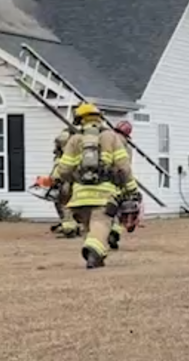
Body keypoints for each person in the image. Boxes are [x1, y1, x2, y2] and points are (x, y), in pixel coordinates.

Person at [53, 103, 140, 269]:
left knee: (89, 227)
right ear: (99, 119)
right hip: (104, 195)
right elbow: (124, 167)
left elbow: (63, 170)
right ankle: (93, 253)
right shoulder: (111, 137)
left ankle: (97, 256)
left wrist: (67, 181)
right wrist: (132, 189)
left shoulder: (75, 139)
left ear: (80, 120)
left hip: (79, 197)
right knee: (101, 223)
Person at [107, 120, 137, 250]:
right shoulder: (126, 146)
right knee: (120, 208)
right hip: (120, 181)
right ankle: (115, 232)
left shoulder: (107, 140)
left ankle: (107, 231)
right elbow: (126, 167)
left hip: (105, 180)